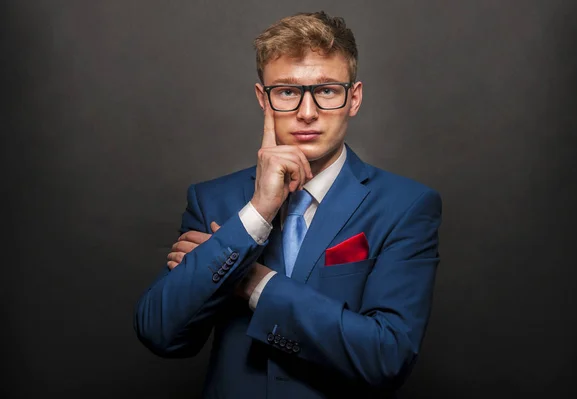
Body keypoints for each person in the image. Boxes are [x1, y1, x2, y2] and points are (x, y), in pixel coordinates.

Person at [134, 11, 442, 398]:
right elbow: (161, 334)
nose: (307, 112)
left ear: (354, 98)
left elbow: (386, 356)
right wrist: (256, 215)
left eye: (327, 90)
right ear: (264, 99)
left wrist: (250, 280)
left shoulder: (406, 206)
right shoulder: (213, 199)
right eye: (287, 92)